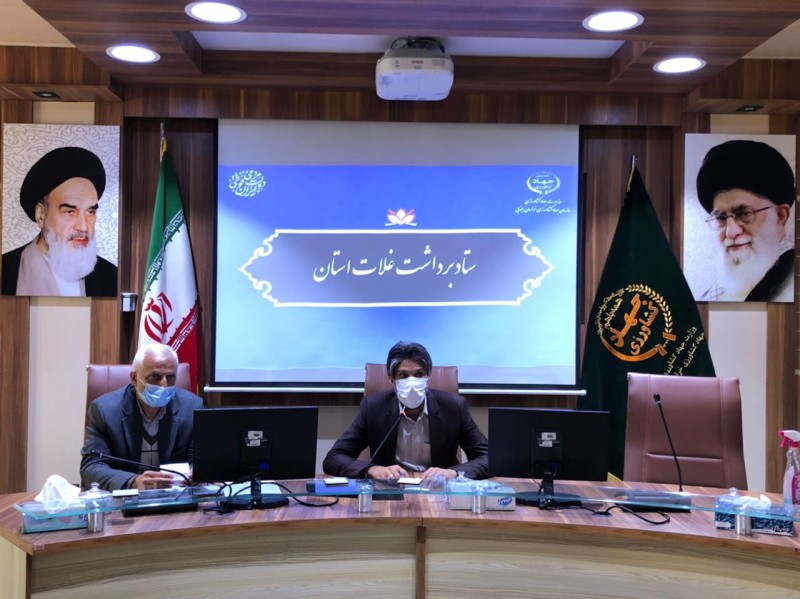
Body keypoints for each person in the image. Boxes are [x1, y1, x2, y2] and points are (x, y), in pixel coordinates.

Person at [323, 341, 488, 481]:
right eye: (403, 375)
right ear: (391, 380)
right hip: (390, 491)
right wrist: (371, 470)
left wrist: (453, 473)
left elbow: (488, 457)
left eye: (419, 374)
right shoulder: (373, 408)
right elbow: (334, 458)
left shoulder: (454, 407)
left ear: (428, 376)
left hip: (439, 493)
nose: (412, 382)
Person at [80, 343, 203, 491]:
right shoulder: (105, 410)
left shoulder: (191, 407)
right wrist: (133, 482)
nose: (164, 385)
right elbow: (91, 467)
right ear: (134, 378)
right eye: (155, 377)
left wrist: (196, 473)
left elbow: (198, 460)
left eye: (170, 377)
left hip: (176, 496)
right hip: (126, 498)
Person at [1, 146, 117, 296]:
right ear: (41, 215)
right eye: (70, 212)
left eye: (90, 212)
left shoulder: (111, 277)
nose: (83, 227)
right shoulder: (5, 271)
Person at [696, 140, 795, 302]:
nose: (731, 232)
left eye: (744, 214)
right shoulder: (708, 298)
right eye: (721, 218)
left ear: (780, 216)